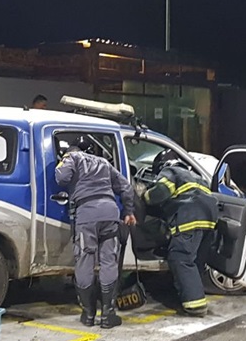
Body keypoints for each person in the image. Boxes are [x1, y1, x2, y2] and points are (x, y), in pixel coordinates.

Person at [55, 137, 137, 329]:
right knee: (109, 261)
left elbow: (61, 178)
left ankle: (88, 314)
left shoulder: (72, 157)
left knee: (85, 260)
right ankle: (108, 314)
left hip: (87, 215)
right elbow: (126, 187)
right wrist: (129, 211)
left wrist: (64, 160)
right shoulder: (104, 163)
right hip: (110, 213)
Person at [142, 149, 218, 317]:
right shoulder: (196, 176)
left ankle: (195, 305)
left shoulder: (170, 171)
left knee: (180, 258)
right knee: (195, 261)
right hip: (210, 221)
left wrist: (145, 196)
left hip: (190, 217)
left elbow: (161, 192)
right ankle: (194, 295)